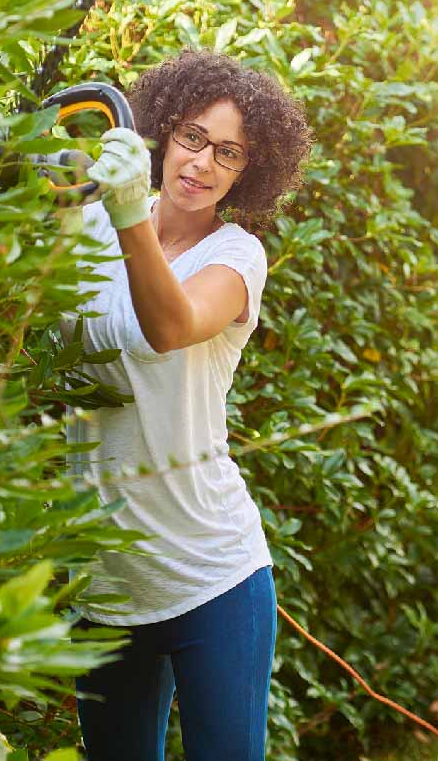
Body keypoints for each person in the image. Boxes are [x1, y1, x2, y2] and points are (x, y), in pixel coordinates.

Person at [57, 49, 312, 761]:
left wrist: (131, 212)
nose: (202, 163)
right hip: (107, 582)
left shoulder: (234, 258)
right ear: (164, 131)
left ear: (246, 173)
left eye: (228, 153)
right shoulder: (85, 232)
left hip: (211, 572)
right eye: (194, 137)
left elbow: (168, 327)